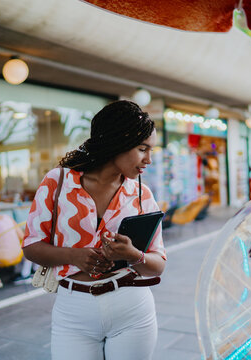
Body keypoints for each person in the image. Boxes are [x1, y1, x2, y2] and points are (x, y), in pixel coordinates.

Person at [23, 100, 166, 360]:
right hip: (73, 311)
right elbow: (31, 246)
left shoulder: (142, 194)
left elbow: (158, 265)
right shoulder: (58, 182)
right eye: (142, 149)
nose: (149, 159)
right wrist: (74, 256)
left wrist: (134, 254)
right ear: (118, 142)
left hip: (132, 309)